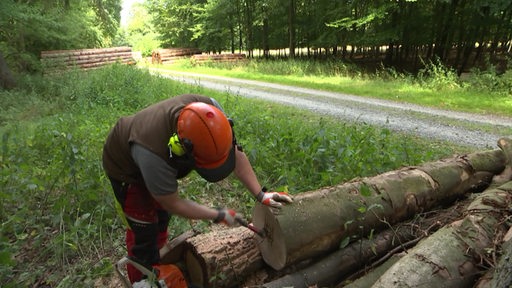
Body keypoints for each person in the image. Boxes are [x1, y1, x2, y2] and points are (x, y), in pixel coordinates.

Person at [102, 94, 293, 284]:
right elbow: (173, 203)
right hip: (126, 170)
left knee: (160, 220)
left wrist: (260, 194)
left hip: (152, 158)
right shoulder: (154, 155)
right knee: (143, 231)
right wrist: (218, 214)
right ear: (181, 150)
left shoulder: (212, 113)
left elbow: (234, 151)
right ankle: (142, 280)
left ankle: (159, 258)